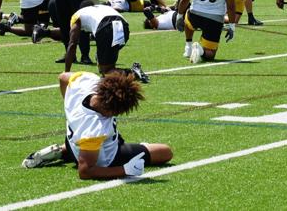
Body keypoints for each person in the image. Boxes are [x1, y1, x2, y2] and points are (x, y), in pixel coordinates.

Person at [20, 71, 173, 177]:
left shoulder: (87, 82)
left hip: (74, 140)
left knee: (93, 142)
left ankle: (62, 150)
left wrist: (69, 108)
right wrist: (125, 170)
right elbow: (85, 171)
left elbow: (63, 77)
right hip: (102, 157)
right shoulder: (96, 127)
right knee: (165, 152)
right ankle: (65, 151)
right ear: (111, 108)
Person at [63, 0, 147, 81]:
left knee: (107, 73)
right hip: (123, 26)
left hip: (106, 26)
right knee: (108, 57)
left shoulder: (77, 15)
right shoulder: (101, 7)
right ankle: (120, 70)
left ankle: (133, 73)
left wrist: (66, 72)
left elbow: (72, 44)